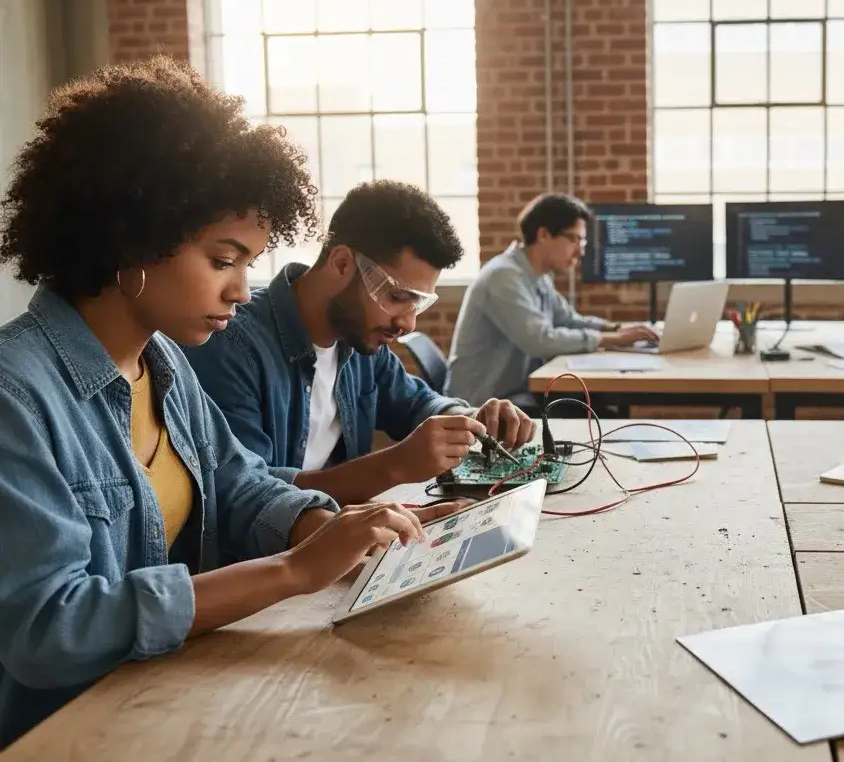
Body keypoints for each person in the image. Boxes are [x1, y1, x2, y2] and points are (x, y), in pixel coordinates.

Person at [0, 56, 457, 748]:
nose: (243, 289)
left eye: (249, 263)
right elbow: (48, 629)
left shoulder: (166, 367)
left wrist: (339, 528)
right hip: (71, 734)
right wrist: (292, 570)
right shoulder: (17, 394)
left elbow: (236, 484)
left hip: (167, 698)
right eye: (223, 260)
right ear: (132, 239)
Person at [182, 180, 535, 507]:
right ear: (341, 263)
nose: (407, 323)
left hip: (338, 536)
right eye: (397, 296)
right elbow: (247, 498)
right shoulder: (231, 345)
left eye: (417, 304)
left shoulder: (360, 342)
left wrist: (467, 418)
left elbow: (414, 402)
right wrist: (392, 467)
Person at [445, 193, 658, 408]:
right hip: (484, 405)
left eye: (582, 241)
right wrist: (612, 339)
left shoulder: (537, 276)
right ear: (544, 235)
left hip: (514, 395)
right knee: (597, 413)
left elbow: (567, 319)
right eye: (574, 239)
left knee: (598, 407)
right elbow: (540, 340)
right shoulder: (503, 277)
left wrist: (616, 328)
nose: (581, 251)